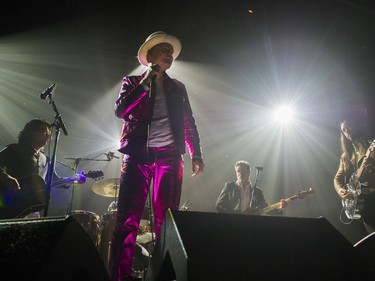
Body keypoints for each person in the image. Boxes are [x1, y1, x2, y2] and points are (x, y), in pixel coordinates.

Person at [110, 31, 204, 281]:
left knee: (168, 222)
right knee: (127, 221)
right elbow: (121, 111)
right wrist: (146, 82)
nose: (169, 55)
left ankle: (164, 276)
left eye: (171, 52)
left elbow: (189, 123)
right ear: (149, 55)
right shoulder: (131, 83)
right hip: (137, 156)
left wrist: (197, 153)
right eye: (164, 50)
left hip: (169, 157)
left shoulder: (177, 87)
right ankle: (119, 276)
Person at [0, 118, 52, 219]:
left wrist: (74, 179)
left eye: (47, 134)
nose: (46, 136)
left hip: (31, 209)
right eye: (43, 132)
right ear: (31, 132)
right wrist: (6, 177)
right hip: (11, 203)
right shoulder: (14, 149)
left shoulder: (44, 159)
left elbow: (54, 179)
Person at [334, 119, 375, 233]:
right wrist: (340, 190)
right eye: (344, 130)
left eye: (349, 127)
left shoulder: (370, 143)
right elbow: (337, 178)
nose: (347, 131)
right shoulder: (345, 156)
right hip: (363, 206)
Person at [216, 160, 287, 215]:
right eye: (238, 171)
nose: (240, 174)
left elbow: (264, 208)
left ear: (248, 172)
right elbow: (219, 205)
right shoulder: (229, 186)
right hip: (232, 224)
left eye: (243, 171)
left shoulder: (257, 191)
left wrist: (279, 208)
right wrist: (237, 214)